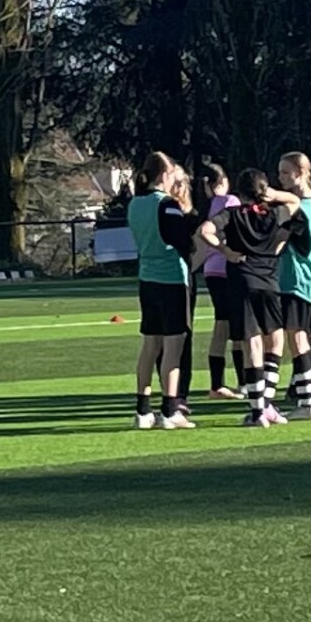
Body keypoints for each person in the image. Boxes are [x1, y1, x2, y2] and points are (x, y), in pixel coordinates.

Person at [200, 168, 305, 428]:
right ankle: (267, 402)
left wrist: (225, 251)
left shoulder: (233, 214)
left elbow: (205, 230)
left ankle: (258, 410)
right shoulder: (274, 213)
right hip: (269, 281)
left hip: (242, 280)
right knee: (275, 340)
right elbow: (295, 201)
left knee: (252, 344)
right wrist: (272, 194)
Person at [127, 151, 205, 429]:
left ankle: (142, 409)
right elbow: (183, 239)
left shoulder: (135, 204)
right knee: (173, 346)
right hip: (172, 279)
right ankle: (171, 410)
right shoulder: (167, 205)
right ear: (165, 175)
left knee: (150, 345)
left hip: (147, 279)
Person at [274, 152, 311, 420]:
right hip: (310, 281)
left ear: (301, 172)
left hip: (296, 280)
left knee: (297, 340)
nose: (281, 178)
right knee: (301, 339)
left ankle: (309, 402)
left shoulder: (301, 207)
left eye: (286, 173)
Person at [191, 165, 243, 401]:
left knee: (221, 325)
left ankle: (217, 382)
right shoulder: (230, 201)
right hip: (227, 268)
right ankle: (243, 382)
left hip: (211, 271)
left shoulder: (204, 207)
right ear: (223, 180)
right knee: (238, 327)